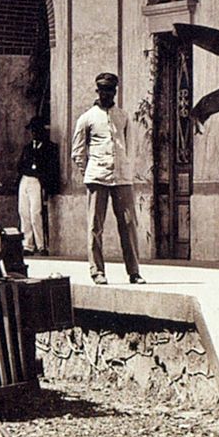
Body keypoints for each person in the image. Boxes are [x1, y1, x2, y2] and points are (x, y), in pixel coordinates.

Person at [70, 72, 142, 284]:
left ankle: (134, 271)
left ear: (115, 92)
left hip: (122, 178)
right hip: (97, 177)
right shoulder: (87, 118)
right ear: (97, 91)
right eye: (103, 90)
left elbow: (129, 147)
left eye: (110, 91)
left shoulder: (123, 116)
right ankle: (97, 271)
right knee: (95, 226)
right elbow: (77, 151)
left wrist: (125, 169)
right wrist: (90, 172)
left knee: (129, 225)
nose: (106, 94)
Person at [16, 116, 53, 254]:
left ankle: (41, 245)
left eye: (36, 130)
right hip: (25, 179)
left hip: (38, 181)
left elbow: (50, 168)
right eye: (32, 131)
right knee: (24, 212)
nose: (34, 133)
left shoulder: (49, 147)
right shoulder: (27, 148)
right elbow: (20, 165)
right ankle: (28, 245)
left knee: (35, 213)